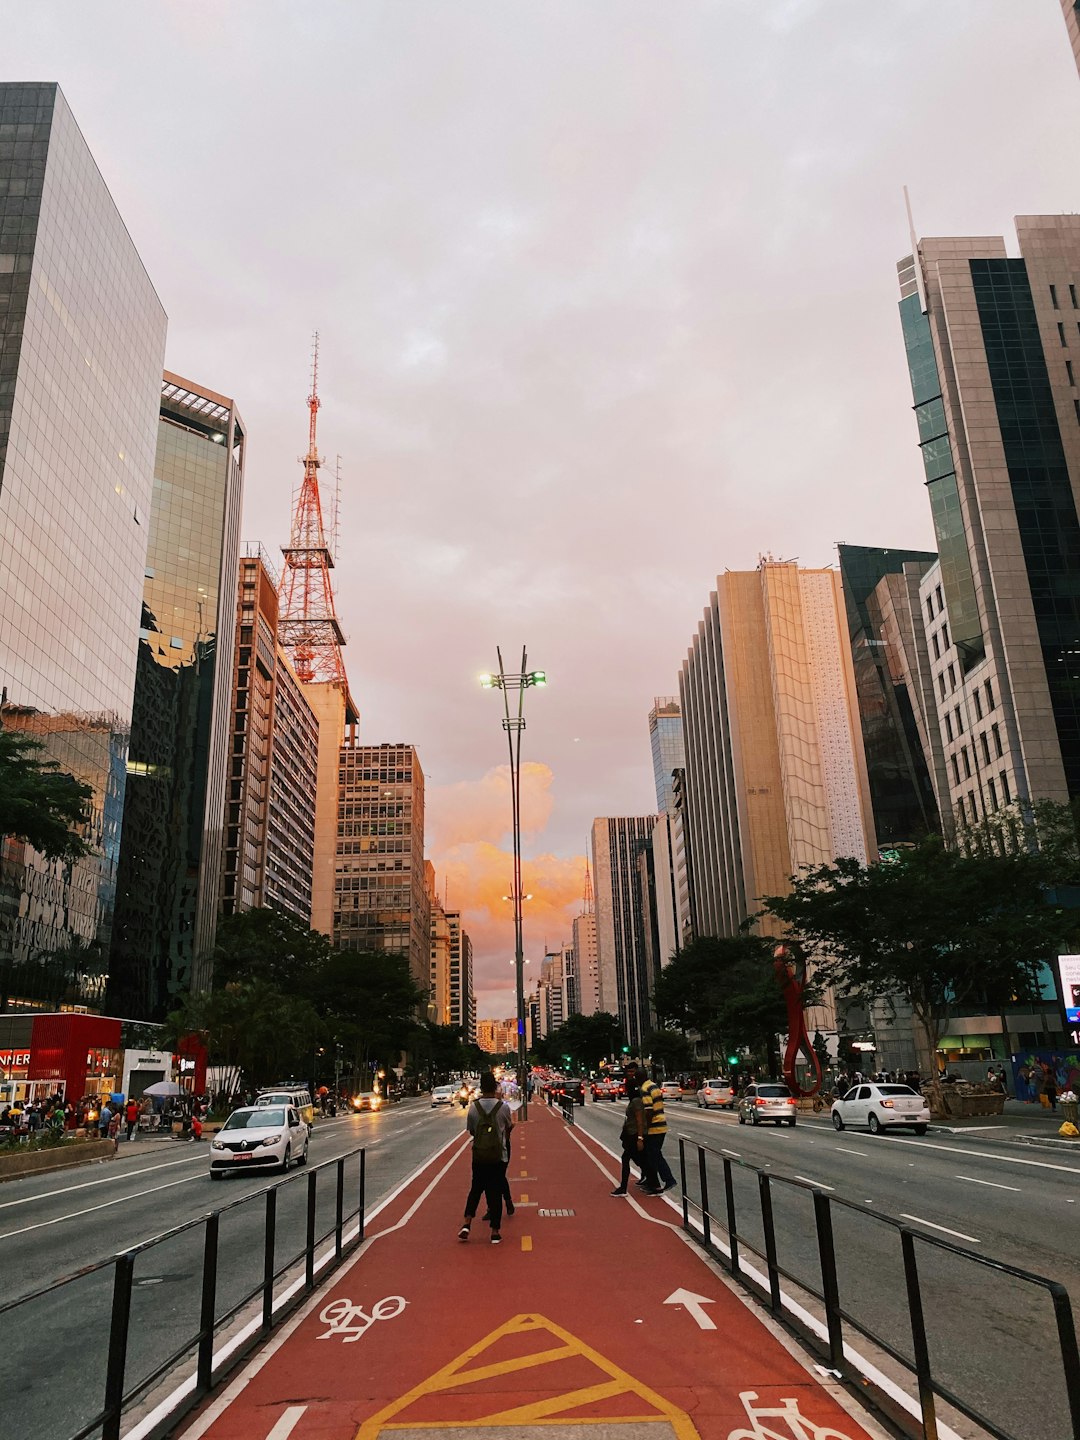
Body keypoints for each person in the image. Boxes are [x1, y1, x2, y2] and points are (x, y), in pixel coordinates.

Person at [458, 1072, 513, 1245]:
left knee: (476, 1189)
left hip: (479, 1155)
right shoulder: (503, 1107)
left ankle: (467, 1223)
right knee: (494, 1192)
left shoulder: (474, 1108)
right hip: (498, 1156)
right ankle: (495, 1232)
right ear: (495, 1087)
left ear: (481, 1088)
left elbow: (472, 1130)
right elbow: (507, 1129)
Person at [624, 1060, 668, 1195]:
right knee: (651, 1156)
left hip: (654, 1127)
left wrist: (642, 1132)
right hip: (660, 1125)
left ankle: (658, 1183)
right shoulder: (653, 1086)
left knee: (651, 1156)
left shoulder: (644, 1090)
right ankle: (653, 1181)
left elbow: (647, 1111)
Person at [611, 1073, 647, 1195]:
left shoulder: (636, 1101)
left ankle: (623, 1188)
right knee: (639, 1160)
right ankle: (653, 1181)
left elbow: (640, 1120)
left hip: (635, 1134)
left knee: (627, 1158)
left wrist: (640, 1138)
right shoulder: (635, 1099)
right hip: (632, 1133)